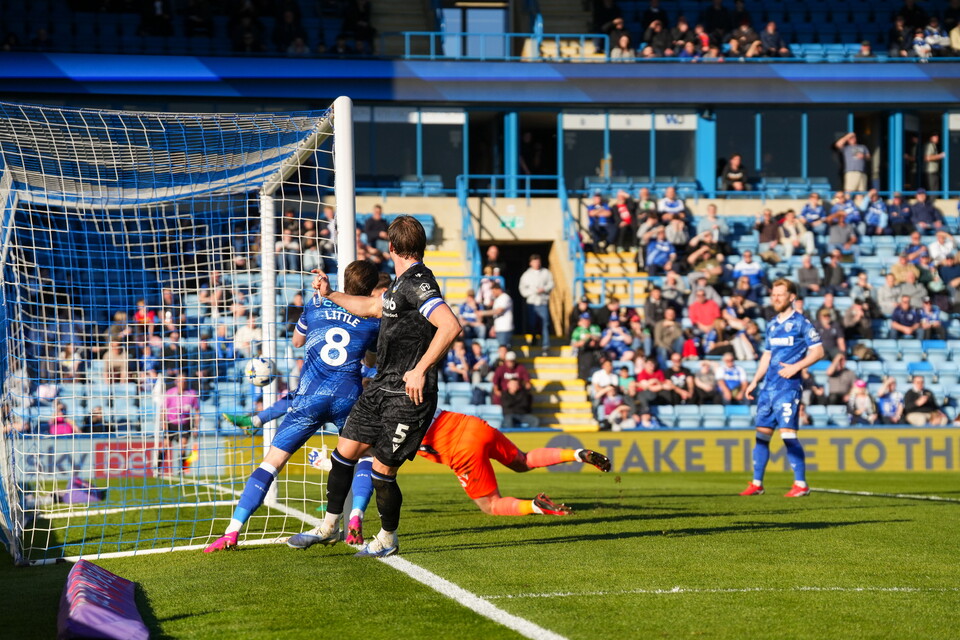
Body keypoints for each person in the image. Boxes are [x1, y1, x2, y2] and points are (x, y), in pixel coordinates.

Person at [289, 216, 462, 558]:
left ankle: (387, 538)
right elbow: (368, 306)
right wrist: (330, 294)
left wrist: (420, 369)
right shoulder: (399, 285)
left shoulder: (419, 284)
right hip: (381, 387)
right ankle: (328, 526)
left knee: (383, 471)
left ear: (391, 247)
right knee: (344, 453)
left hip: (408, 395)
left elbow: (450, 325)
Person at [204, 260, 382, 553]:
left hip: (310, 395)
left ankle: (232, 532)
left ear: (344, 282)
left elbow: (298, 341)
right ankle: (356, 516)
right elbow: (371, 363)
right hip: (347, 396)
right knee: (366, 456)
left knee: (270, 463)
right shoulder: (373, 319)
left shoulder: (315, 305)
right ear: (371, 288)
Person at [417, 409, 609, 516]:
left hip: (458, 448)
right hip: (471, 424)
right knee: (523, 461)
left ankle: (535, 506)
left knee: (490, 505)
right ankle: (576, 454)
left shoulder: (388, 419)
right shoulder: (406, 386)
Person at [741, 279, 824, 498]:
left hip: (788, 387)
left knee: (787, 435)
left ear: (791, 297)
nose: (775, 298)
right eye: (773, 294)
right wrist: (754, 381)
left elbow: (818, 352)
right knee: (762, 435)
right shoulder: (771, 324)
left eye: (780, 294)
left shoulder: (801, 323)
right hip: (768, 388)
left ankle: (801, 484)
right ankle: (757, 483)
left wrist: (796, 367)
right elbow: (767, 355)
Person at [160, 373, 200, 475]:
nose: (182, 383)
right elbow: (163, 410)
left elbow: (197, 411)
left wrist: (196, 426)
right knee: (164, 446)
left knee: (183, 446)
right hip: (171, 423)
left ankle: (182, 470)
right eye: (180, 381)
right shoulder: (169, 393)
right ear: (176, 382)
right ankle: (158, 468)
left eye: (184, 381)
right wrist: (163, 423)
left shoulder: (191, 394)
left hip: (184, 424)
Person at [518, 254, 554, 356]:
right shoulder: (526, 275)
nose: (536, 264)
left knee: (545, 324)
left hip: (542, 302)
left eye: (538, 261)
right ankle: (534, 338)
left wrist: (544, 289)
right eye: (534, 262)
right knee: (532, 323)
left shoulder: (546, 272)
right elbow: (522, 289)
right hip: (532, 302)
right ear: (531, 263)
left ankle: (545, 345)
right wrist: (532, 292)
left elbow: (551, 284)